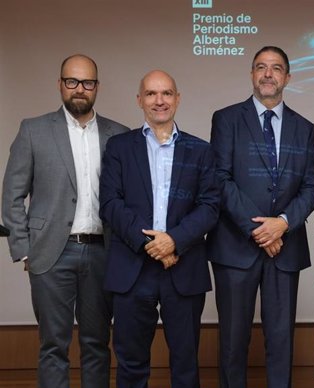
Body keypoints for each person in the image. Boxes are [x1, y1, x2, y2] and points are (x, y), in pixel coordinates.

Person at [1, 54, 128, 388]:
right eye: (72, 81)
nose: (79, 89)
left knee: (97, 345)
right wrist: (24, 249)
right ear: (60, 84)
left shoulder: (119, 135)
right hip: (51, 254)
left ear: (96, 87)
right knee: (53, 346)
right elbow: (12, 195)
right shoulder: (33, 130)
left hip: (103, 253)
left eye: (87, 83)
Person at [99, 70, 219, 388]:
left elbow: (210, 207)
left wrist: (174, 241)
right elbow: (110, 203)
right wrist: (152, 244)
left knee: (185, 364)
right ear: (139, 100)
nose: (159, 100)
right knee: (131, 364)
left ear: (177, 99)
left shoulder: (201, 151)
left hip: (183, 267)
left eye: (166, 93)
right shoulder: (119, 147)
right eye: (151, 94)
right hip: (132, 269)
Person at [208, 46, 314, 388]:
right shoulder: (226, 119)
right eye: (260, 67)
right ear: (252, 74)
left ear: (287, 77)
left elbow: (311, 187)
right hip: (235, 247)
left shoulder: (305, 127)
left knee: (281, 341)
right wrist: (260, 230)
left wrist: (282, 223)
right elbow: (221, 179)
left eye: (275, 68)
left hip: (285, 249)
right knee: (233, 342)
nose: (267, 74)